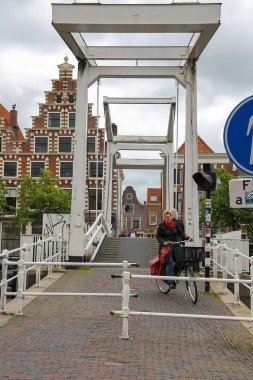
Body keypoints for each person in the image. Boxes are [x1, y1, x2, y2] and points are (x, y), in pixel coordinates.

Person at [157, 209, 189, 289]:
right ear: (164, 218)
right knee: (169, 261)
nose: (167, 219)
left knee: (181, 259)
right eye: (165, 217)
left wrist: (187, 237)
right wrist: (163, 242)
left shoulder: (175, 224)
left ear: (171, 217)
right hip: (166, 247)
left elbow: (181, 233)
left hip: (174, 245)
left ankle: (173, 274)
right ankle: (170, 281)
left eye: (168, 217)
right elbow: (158, 237)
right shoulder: (161, 226)